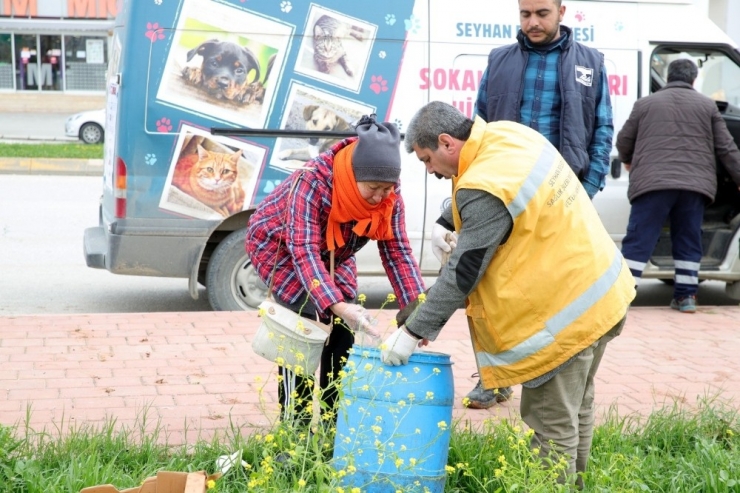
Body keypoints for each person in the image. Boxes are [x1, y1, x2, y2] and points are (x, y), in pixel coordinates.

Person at [382, 101, 634, 488]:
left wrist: (413, 332)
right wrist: (448, 217)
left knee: (551, 424)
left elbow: (464, 270)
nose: (430, 171)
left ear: (448, 142)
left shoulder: (482, 186)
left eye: (427, 159)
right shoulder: (508, 135)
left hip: (565, 319)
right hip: (602, 294)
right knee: (575, 412)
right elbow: (503, 185)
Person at [435, 0, 615, 409]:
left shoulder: (590, 63)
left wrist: (584, 194)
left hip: (558, 200)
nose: (532, 22)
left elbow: (602, 131)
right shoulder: (499, 61)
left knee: (558, 290)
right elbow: (474, 133)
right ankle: (493, 378)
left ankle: (555, 374)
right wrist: (456, 208)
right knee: (487, 285)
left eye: (541, 14)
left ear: (561, 11)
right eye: (525, 14)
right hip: (502, 195)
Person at [246, 114, 425, 426]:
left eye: (387, 188)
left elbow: (398, 252)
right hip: (280, 247)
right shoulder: (312, 181)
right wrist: (336, 304)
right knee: (301, 329)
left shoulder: (388, 196)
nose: (380, 197)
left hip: (335, 253)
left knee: (343, 331)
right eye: (373, 188)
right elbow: (303, 250)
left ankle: (332, 422)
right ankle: (295, 427)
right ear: (354, 173)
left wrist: (419, 312)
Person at [616, 58, 740, 313]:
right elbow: (726, 148)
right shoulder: (708, 106)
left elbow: (624, 139)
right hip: (693, 187)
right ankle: (686, 297)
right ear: (693, 79)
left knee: (640, 239)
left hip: (652, 183)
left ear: (669, 76)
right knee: (688, 237)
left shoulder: (645, 104)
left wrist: (628, 160)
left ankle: (623, 297)